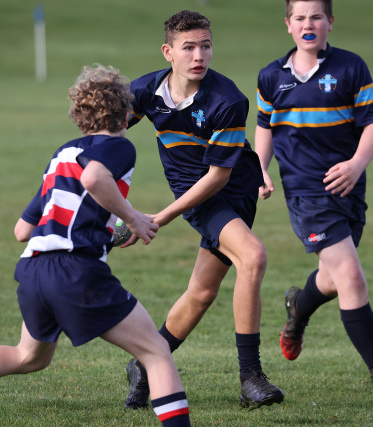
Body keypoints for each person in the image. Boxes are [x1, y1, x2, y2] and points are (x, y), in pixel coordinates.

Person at [0, 64, 191, 426]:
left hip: (34, 268)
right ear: (125, 112)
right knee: (157, 352)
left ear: (81, 115)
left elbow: (22, 229)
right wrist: (131, 218)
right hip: (74, 269)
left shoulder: (62, 154)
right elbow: (94, 177)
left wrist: (104, 228)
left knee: (30, 356)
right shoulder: (119, 146)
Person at [121, 10, 284, 410]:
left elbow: (217, 178)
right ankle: (250, 377)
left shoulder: (227, 100)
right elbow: (109, 133)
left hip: (230, 189)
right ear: (168, 52)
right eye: (188, 47)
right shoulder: (146, 91)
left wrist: (157, 218)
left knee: (202, 291)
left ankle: (145, 364)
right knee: (252, 256)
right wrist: (103, 195)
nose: (199, 56)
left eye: (205, 46)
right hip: (197, 195)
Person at [254, 0, 373, 394]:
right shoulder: (271, 77)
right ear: (288, 24)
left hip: (349, 189)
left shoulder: (350, 66)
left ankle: (298, 307)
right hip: (306, 193)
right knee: (350, 276)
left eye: (316, 17)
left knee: (331, 278)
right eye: (300, 18)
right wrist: (260, 169)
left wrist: (357, 164)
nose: (308, 24)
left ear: (330, 22)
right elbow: (265, 127)